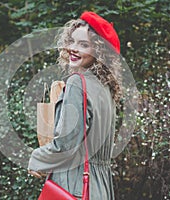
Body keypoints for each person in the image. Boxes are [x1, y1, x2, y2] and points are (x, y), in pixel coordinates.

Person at [28, 11, 123, 199]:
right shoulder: (105, 88)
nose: (73, 48)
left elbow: (66, 143)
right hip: (101, 187)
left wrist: (36, 159)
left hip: (76, 185)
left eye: (84, 44)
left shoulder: (77, 83)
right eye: (72, 41)